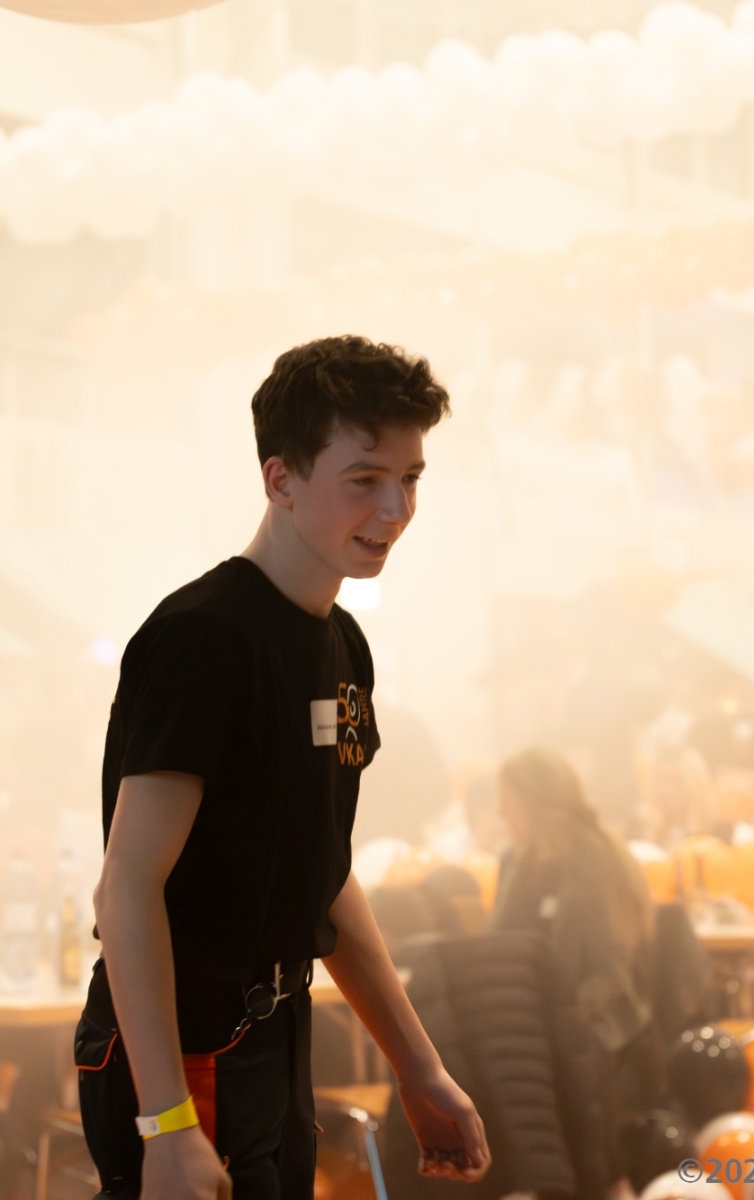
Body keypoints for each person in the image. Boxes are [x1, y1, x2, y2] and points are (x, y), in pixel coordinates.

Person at [82, 336, 488, 1200]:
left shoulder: (344, 647)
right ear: (281, 480)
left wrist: (418, 1067)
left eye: (411, 478)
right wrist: (165, 1123)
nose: (395, 508)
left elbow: (322, 874)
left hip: (277, 1032)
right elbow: (126, 886)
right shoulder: (204, 638)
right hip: (183, 1051)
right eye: (364, 479)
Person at [489, 749, 655, 1117]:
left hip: (598, 1035)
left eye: (507, 800)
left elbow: (611, 977)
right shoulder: (516, 864)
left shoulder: (598, 864)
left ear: (535, 803)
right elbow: (497, 949)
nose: (500, 812)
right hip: (533, 1028)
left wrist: (553, 1018)